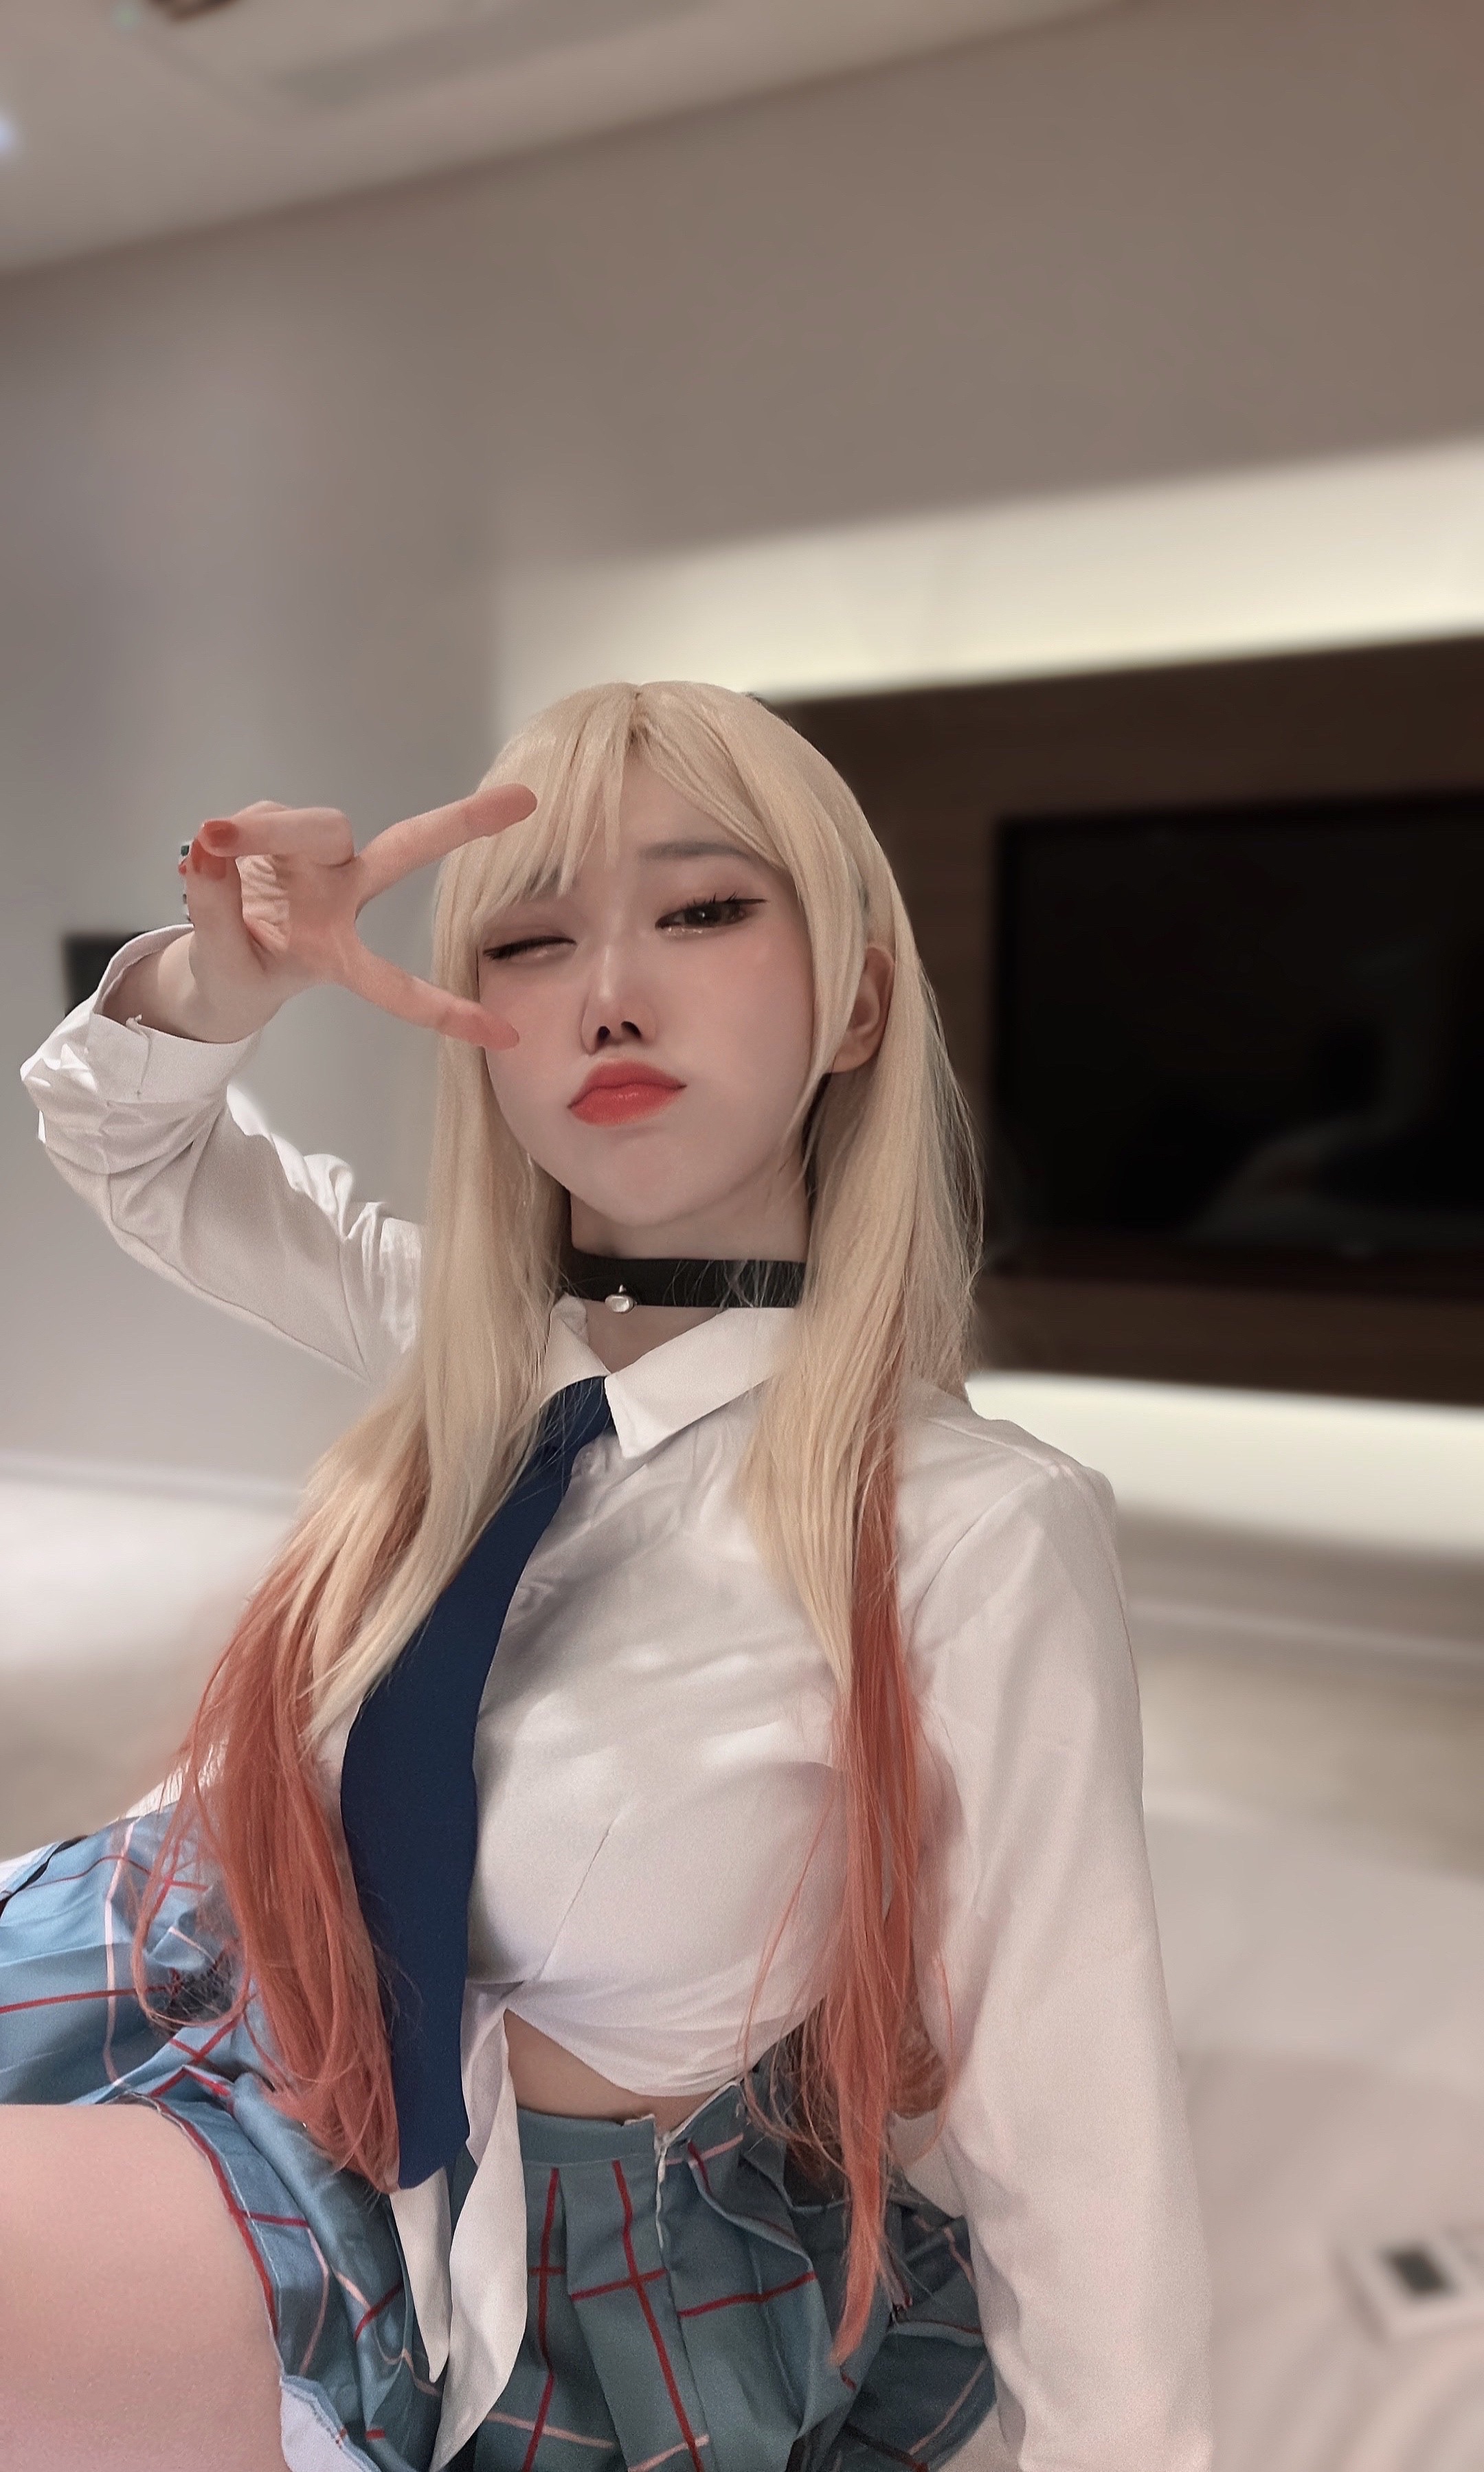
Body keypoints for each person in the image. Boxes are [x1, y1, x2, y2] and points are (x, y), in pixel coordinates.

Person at [5, 680, 1213, 2472]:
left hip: (478, 2230)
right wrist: (220, 982)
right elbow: (125, 1137)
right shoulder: (466, 1339)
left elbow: (1080, 2122)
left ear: (858, 998)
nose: (609, 995)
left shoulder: (970, 1529)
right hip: (168, 1974)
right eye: (531, 940)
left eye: (704, 909)